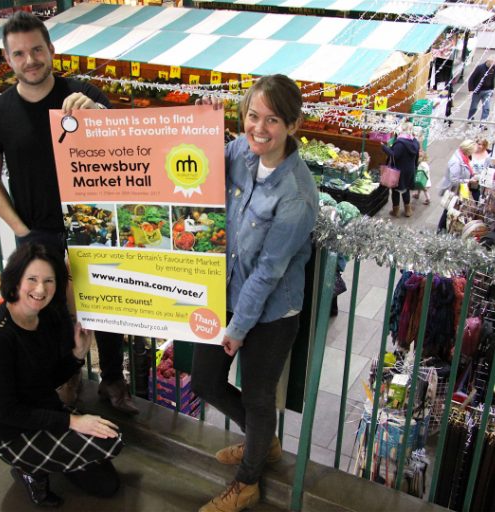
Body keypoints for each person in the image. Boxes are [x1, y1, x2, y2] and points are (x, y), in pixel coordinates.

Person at [0, 11, 138, 415]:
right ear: (8, 60)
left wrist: (98, 115)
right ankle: (66, 382)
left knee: (109, 306)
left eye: (36, 49)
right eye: (19, 54)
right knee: (52, 315)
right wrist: (23, 232)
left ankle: (113, 382)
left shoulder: (81, 93)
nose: (29, 60)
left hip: (94, 229)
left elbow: (132, 144)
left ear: (51, 49)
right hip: (39, 234)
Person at [192, 75, 319, 512]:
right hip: (226, 289)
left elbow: (268, 272)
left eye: (273, 119)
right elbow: (186, 151)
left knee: (258, 396)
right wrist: (103, 126)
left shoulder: (297, 195)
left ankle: (247, 481)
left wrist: (238, 327)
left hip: (273, 311)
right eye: (252, 115)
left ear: (293, 125)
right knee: (205, 379)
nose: (259, 128)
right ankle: (262, 443)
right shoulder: (240, 152)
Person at [0, 243, 123, 507]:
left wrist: (77, 355)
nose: (40, 289)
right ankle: (28, 469)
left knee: (107, 481)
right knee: (111, 445)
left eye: (49, 280)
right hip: (9, 432)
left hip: (44, 409)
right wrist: (72, 422)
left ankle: (51, 458)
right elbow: (8, 412)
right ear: (15, 280)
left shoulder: (48, 317)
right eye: (32, 279)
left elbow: (47, 379)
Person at [437, 140, 478, 233]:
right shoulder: (456, 162)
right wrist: (469, 180)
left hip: (460, 189)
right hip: (454, 190)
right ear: (468, 151)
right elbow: (454, 180)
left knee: (452, 209)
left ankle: (446, 228)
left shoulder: (463, 157)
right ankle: (441, 230)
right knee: (449, 209)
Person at [381, 122, 420, 218]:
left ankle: (396, 211)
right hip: (410, 170)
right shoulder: (415, 142)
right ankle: (408, 210)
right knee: (405, 188)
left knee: (395, 190)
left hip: (399, 170)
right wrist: (415, 167)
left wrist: (384, 147)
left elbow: (394, 155)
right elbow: (416, 157)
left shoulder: (400, 143)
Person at [467, 56, 495, 121]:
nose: (492, 65)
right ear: (487, 62)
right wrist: (471, 89)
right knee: (474, 107)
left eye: (494, 63)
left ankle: (483, 122)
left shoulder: (493, 68)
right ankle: (470, 118)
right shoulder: (480, 68)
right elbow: (472, 78)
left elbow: (493, 79)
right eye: (491, 63)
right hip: (478, 91)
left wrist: (492, 89)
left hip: (488, 90)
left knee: (486, 108)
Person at [469, 138, 491, 202]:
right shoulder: (470, 153)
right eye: (479, 144)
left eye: (483, 145)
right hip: (473, 181)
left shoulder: (489, 153)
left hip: (485, 181)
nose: (480, 146)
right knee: (475, 197)